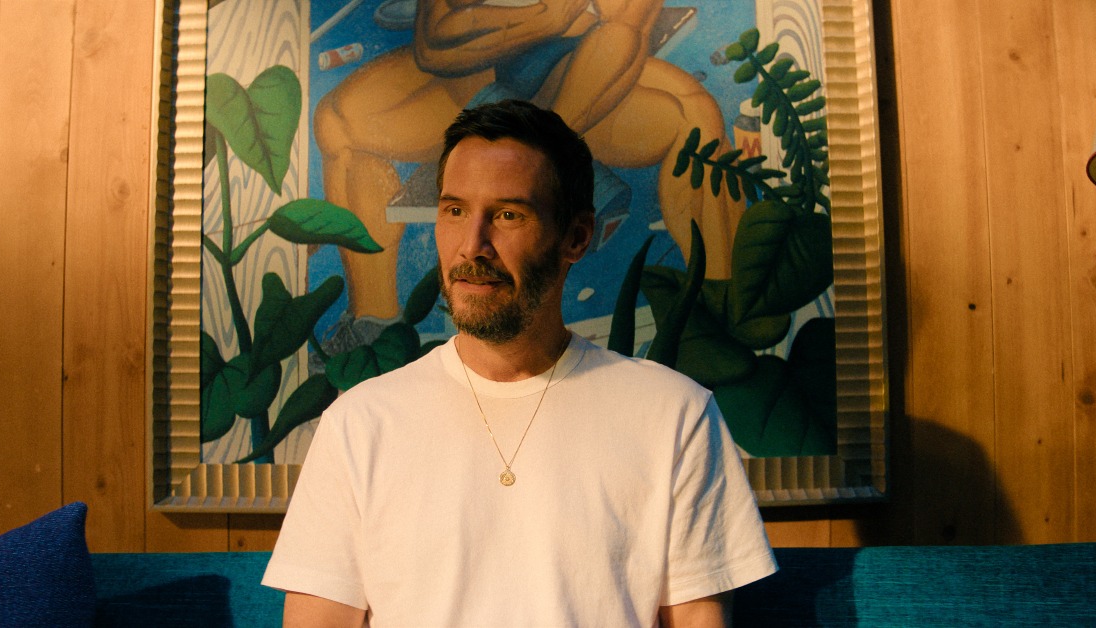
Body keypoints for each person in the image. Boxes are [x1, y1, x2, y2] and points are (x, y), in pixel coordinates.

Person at [263, 100, 776, 627]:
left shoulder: (675, 416)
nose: (472, 246)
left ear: (576, 237)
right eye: (454, 211)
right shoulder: (360, 424)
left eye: (508, 215)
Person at [314, 0, 745, 336]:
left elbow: (621, 35)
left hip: (580, 75)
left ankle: (723, 315)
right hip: (475, 73)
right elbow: (434, 44)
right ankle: (374, 324)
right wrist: (545, 18)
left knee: (696, 118)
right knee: (339, 120)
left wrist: (540, 155)